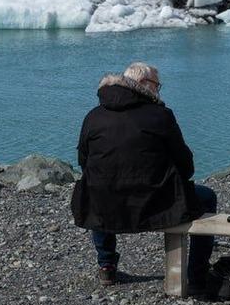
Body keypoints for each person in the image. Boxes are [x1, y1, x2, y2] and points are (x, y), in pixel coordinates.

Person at [71, 62, 216, 287]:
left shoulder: (94, 116)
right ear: (143, 84)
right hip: (156, 202)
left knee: (97, 188)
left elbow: (84, 161)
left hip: (104, 202)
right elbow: (185, 164)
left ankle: (106, 264)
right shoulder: (161, 115)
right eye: (157, 85)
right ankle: (197, 273)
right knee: (207, 197)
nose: (158, 90)